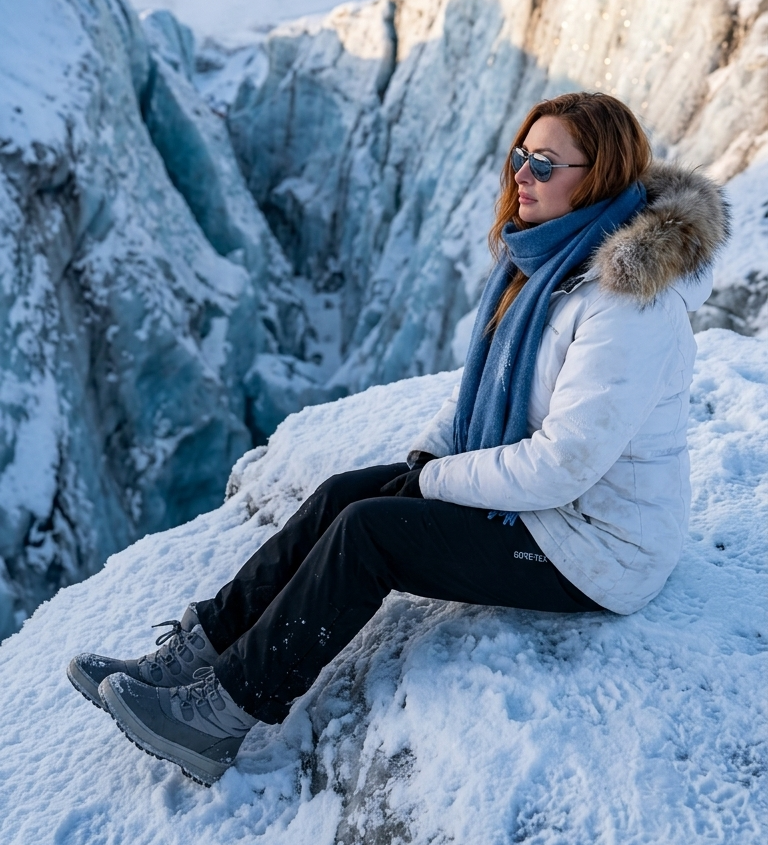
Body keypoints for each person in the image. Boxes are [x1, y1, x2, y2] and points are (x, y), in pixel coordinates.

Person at [68, 92, 728, 786]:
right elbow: (481, 396)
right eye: (518, 156)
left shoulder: (625, 306)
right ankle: (196, 652)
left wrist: (434, 481)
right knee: (343, 496)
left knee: (372, 534)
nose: (521, 176)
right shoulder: (544, 268)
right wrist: (423, 461)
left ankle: (222, 713)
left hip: (597, 545)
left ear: (596, 178)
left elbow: (564, 464)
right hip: (547, 505)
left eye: (544, 162)